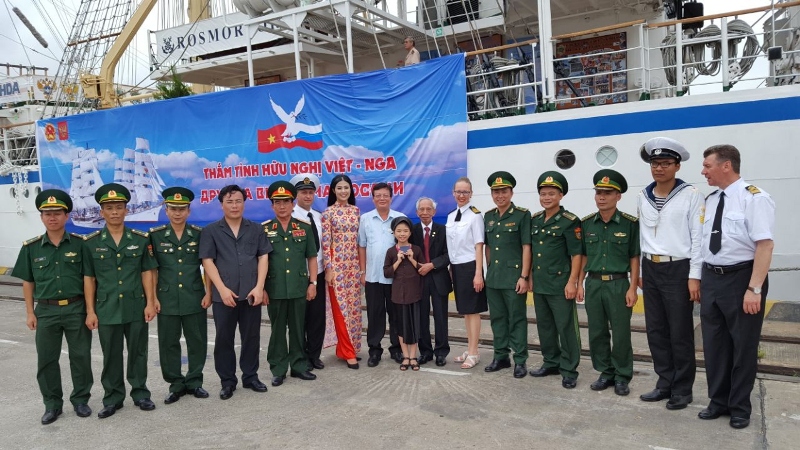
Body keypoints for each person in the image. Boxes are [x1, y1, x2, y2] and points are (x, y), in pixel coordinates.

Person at [698, 145, 774, 430]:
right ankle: (718, 401)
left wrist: (754, 289)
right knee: (714, 344)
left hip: (742, 278)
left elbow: (765, 245)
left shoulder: (754, 198)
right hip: (712, 277)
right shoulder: (712, 199)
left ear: (726, 165)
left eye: (707, 166)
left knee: (743, 346)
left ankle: (740, 407)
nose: (703, 171)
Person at [12, 189, 92, 424]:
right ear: (41, 217)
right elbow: (28, 282)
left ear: (67, 216)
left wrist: (90, 310)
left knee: (80, 357)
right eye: (47, 214)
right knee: (47, 360)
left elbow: (88, 279)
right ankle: (52, 405)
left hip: (76, 309)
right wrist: (30, 312)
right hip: (46, 311)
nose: (52, 217)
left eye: (57, 213)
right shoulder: (31, 248)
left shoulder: (81, 245)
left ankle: (80, 400)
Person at [636, 137, 704, 410]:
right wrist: (642, 271)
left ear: (677, 166)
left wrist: (694, 276)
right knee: (656, 330)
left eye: (665, 163)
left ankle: (683, 389)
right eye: (655, 163)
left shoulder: (691, 194)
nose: (659, 168)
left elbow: (698, 238)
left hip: (678, 268)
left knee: (680, 331)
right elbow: (643, 236)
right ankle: (664, 382)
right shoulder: (643, 195)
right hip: (651, 267)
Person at [82, 183, 158, 418]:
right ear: (102, 212)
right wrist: (90, 311)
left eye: (118, 207)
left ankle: (140, 393)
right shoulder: (91, 242)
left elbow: (147, 272)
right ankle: (113, 398)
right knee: (111, 355)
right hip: (107, 308)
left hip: (135, 306)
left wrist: (150, 302)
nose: (114, 212)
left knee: (138, 352)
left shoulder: (140, 239)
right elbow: (89, 279)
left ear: (126, 210)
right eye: (109, 208)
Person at [199, 185, 271, 400]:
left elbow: (263, 257)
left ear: (244, 203)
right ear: (221, 205)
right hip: (224, 296)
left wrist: (259, 287)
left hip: (251, 294)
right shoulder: (211, 231)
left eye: (238, 201)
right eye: (229, 202)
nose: (234, 206)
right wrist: (221, 290)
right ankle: (228, 381)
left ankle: (250, 377)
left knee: (251, 337)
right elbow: (207, 262)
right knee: (224, 339)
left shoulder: (256, 229)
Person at [578, 170, 640, 396]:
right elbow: (583, 256)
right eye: (598, 193)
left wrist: (633, 287)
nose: (602, 197)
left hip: (618, 284)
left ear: (618, 196)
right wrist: (579, 284)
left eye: (607, 193)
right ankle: (605, 372)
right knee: (597, 331)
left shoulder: (630, 224)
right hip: (594, 284)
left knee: (621, 333)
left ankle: (622, 375)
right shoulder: (587, 224)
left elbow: (634, 257)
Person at [149, 187, 212, 404]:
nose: (177, 213)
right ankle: (175, 384)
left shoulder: (199, 234)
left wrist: (209, 292)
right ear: (166, 210)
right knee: (168, 343)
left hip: (194, 296)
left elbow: (207, 266)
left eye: (182, 209)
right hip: (166, 299)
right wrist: (153, 298)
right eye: (173, 209)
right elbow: (152, 270)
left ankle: (195, 382)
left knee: (197, 341)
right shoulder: (155, 236)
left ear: (188, 211)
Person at [528, 171, 583, 389]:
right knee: (545, 326)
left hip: (561, 284)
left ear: (561, 195)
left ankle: (569, 369)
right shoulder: (535, 220)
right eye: (543, 194)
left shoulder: (570, 221)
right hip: (540, 282)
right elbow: (533, 251)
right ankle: (551, 362)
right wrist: (529, 276)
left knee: (566, 327)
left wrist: (573, 282)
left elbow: (576, 254)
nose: (547, 198)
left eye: (551, 194)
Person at [263, 181, 318, 387]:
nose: (282, 206)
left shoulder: (304, 228)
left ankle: (298, 366)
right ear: (272, 206)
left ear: (292, 204)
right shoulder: (264, 230)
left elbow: (312, 257)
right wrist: (262, 289)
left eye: (286, 201)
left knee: (297, 329)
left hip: (298, 287)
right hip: (275, 288)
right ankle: (278, 369)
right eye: (277, 202)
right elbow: (260, 261)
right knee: (277, 330)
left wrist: (313, 283)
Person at [483, 171, 531, 379]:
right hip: (494, 278)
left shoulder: (522, 215)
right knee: (497, 319)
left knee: (517, 319)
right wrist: (489, 267)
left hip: (514, 278)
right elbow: (487, 246)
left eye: (503, 191)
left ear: (511, 193)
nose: (500, 195)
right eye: (496, 192)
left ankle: (520, 360)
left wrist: (524, 276)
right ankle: (501, 356)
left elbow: (526, 247)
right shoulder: (489, 216)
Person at [358, 182, 403, 367]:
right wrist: (362, 271)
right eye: (378, 196)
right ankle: (374, 351)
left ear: (391, 198)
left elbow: (405, 245)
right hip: (373, 276)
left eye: (385, 195)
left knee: (396, 314)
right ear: (373, 198)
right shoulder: (365, 219)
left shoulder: (400, 218)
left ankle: (396, 349)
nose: (382, 198)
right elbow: (362, 246)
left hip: (396, 277)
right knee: (375, 315)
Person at [321, 174, 361, 369]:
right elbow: (325, 243)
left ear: (351, 190)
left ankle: (349, 347)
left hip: (353, 267)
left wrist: (361, 268)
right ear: (333, 191)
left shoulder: (356, 211)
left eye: (346, 187)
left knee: (354, 310)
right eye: (339, 188)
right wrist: (329, 269)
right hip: (337, 268)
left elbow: (360, 242)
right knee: (341, 310)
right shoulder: (328, 213)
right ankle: (348, 352)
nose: (343, 191)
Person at [446, 177, 486, 369]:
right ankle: (470, 348)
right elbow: (452, 245)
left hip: (470, 267)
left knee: (473, 311)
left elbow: (479, 245)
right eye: (458, 192)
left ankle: (474, 352)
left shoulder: (475, 216)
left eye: (465, 192)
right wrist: (450, 268)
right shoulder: (451, 216)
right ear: (453, 193)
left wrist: (478, 273)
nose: (461, 195)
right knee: (465, 311)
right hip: (456, 267)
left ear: (471, 194)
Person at [290, 173, 326, 371]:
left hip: (318, 273)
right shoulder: (291, 217)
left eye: (311, 192)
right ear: (296, 195)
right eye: (303, 192)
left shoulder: (319, 217)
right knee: (299, 319)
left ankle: (314, 355)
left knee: (317, 318)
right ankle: (300, 356)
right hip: (298, 275)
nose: (307, 196)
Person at [410, 197, 451, 366]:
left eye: (428, 209)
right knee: (421, 317)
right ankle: (425, 352)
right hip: (419, 279)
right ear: (417, 212)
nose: (425, 212)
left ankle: (441, 352)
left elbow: (449, 254)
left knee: (441, 317)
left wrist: (432, 265)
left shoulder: (443, 230)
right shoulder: (412, 231)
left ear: (434, 212)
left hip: (439, 278)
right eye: (422, 209)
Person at [383, 216, 424, 371]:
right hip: (398, 295)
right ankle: (405, 356)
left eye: (405, 231)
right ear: (394, 233)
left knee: (414, 326)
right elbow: (387, 273)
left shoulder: (416, 249)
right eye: (399, 231)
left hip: (414, 294)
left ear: (410, 233)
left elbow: (422, 269)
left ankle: (413, 356)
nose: (402, 234)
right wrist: (398, 260)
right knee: (401, 326)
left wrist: (412, 259)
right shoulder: (391, 251)